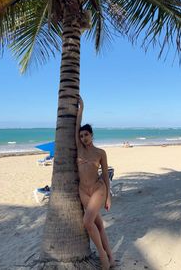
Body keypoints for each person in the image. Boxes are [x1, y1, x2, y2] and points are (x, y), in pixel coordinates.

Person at [76, 96, 114, 270]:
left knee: (87, 222)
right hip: (83, 191)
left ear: (92, 135)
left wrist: (108, 196)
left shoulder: (101, 153)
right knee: (98, 224)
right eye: (82, 135)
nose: (84, 137)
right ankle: (111, 257)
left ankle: (102, 256)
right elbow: (76, 126)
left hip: (98, 189)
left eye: (86, 134)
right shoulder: (79, 149)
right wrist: (80, 109)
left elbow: (105, 174)